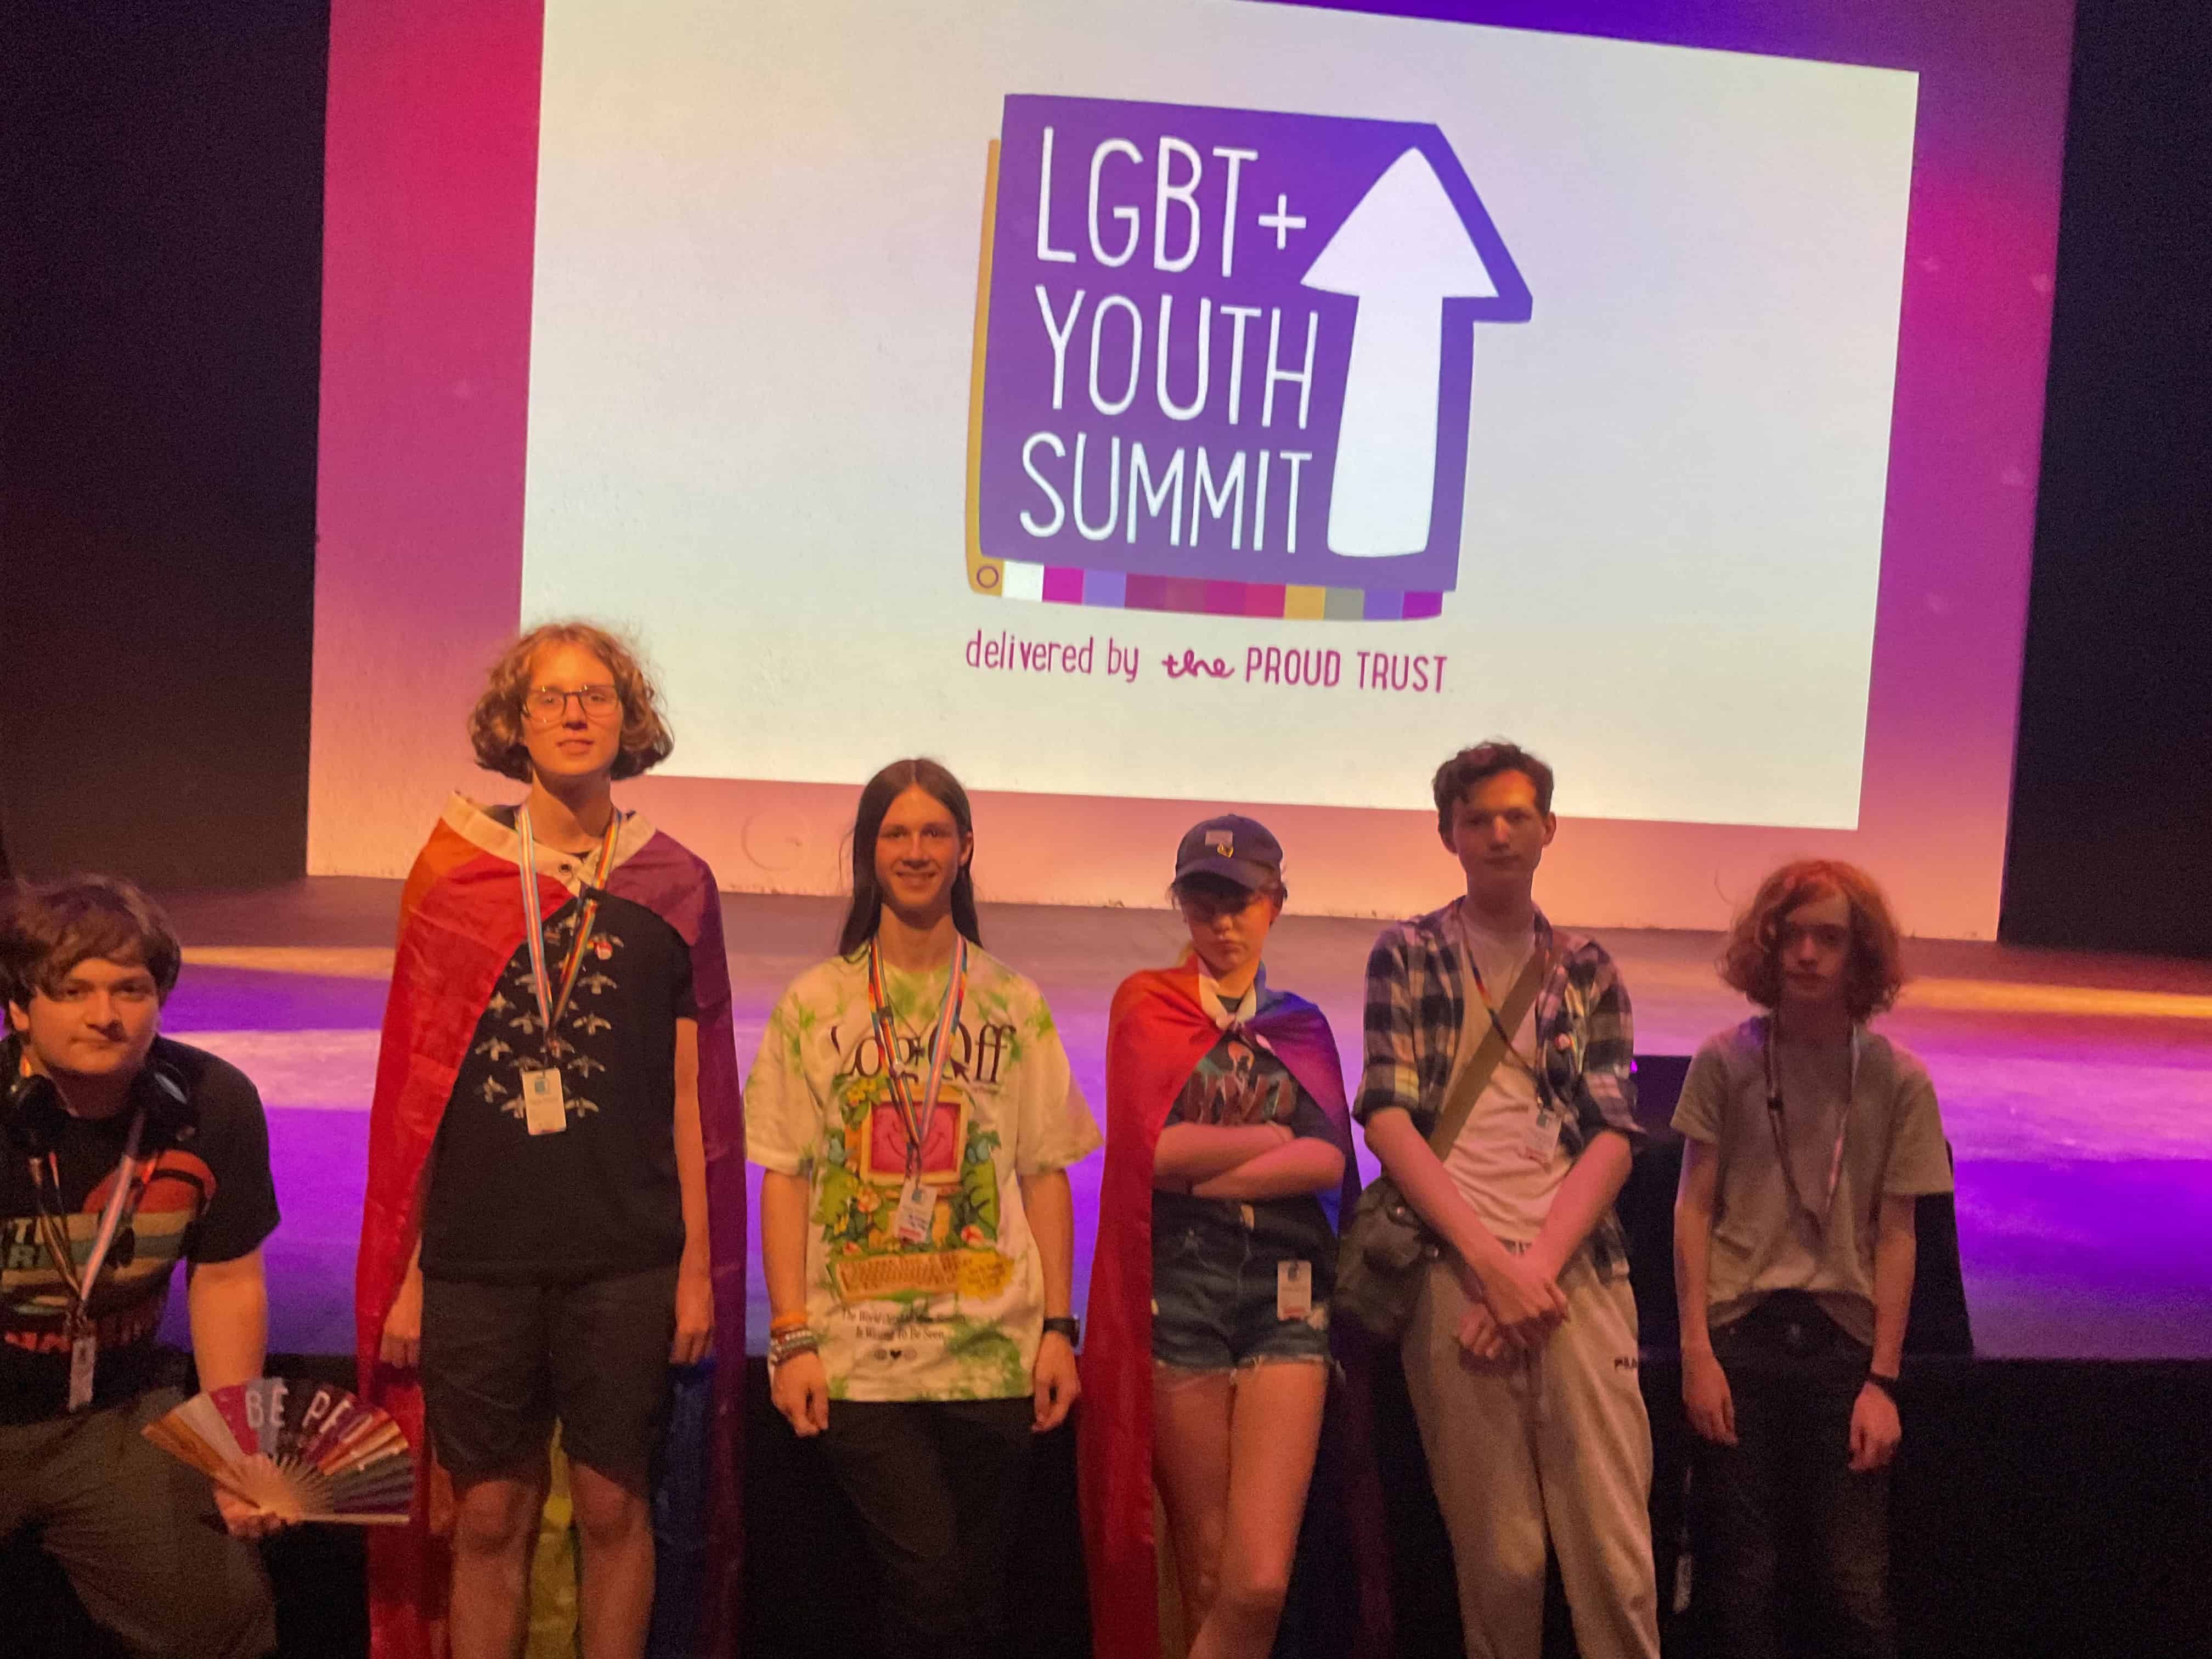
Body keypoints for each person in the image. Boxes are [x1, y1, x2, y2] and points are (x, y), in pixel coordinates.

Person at [355, 620, 748, 1659]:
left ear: (630, 722)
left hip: (625, 1255)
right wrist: (410, 1272)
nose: (575, 714)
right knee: (486, 1519)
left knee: (618, 1513)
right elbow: (419, 1091)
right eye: (551, 698)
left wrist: (699, 1275)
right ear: (513, 724)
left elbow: (691, 1100)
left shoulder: (674, 886)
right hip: (481, 1257)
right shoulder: (454, 874)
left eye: (597, 697)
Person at [747, 758, 1099, 1659]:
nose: (915, 850)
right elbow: (782, 1176)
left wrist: (1060, 1325)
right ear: (869, 854)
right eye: (895, 834)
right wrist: (790, 1335)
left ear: (965, 848)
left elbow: (1043, 1173)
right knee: (934, 1590)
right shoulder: (814, 1005)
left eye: (934, 833)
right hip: (861, 1357)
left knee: (970, 1606)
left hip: (994, 1353)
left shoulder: (1012, 1003)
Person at [1356, 740, 1659, 1659]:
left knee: (1614, 1561)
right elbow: (1388, 1121)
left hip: (1575, 1273)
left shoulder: (1589, 968)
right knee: (1504, 1564)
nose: (1497, 833)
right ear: (1448, 832)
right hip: (1455, 1270)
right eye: (1478, 818)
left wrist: (1532, 1272)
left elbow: (1614, 1134)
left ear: (1548, 830)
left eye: (1516, 817)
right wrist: (1490, 1270)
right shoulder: (1406, 952)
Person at [1079, 815, 1362, 1659]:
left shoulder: (1301, 1027)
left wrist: (1208, 1168)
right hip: (1184, 1297)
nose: (1223, 924)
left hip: (1287, 1300)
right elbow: (1145, 1150)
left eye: (1241, 903)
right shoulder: (1148, 1004)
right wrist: (1266, 1143)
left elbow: (1327, 1162)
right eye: (1205, 903)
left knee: (1260, 1578)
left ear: (1276, 904)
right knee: (1203, 1569)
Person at [1672, 860, 1951, 1659]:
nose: (1805, 955)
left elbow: (1899, 1233)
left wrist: (1883, 1381)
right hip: (1738, 1340)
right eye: (1790, 936)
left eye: (1827, 938)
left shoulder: (1898, 1080)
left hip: (1843, 1351)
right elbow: (1692, 1208)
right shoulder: (1725, 1061)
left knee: (1853, 1588)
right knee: (1741, 1582)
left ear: (1859, 953)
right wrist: (1697, 1354)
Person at [0, 876, 282, 1657]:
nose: (106, 1015)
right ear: (20, 1008)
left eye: (131, 989)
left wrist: (238, 1448)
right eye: (74, 990)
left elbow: (227, 1281)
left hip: (113, 1420)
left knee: (224, 1620)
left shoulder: (211, 1100)